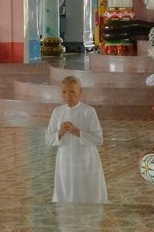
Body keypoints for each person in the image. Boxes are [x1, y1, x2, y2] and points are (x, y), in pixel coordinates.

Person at [45, 75, 108, 203]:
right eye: (64, 92)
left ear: (80, 92)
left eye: (72, 91)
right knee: (67, 192)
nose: (68, 96)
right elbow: (48, 139)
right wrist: (60, 132)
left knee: (85, 191)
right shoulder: (57, 112)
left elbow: (98, 138)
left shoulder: (88, 111)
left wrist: (77, 132)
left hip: (85, 159)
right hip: (65, 160)